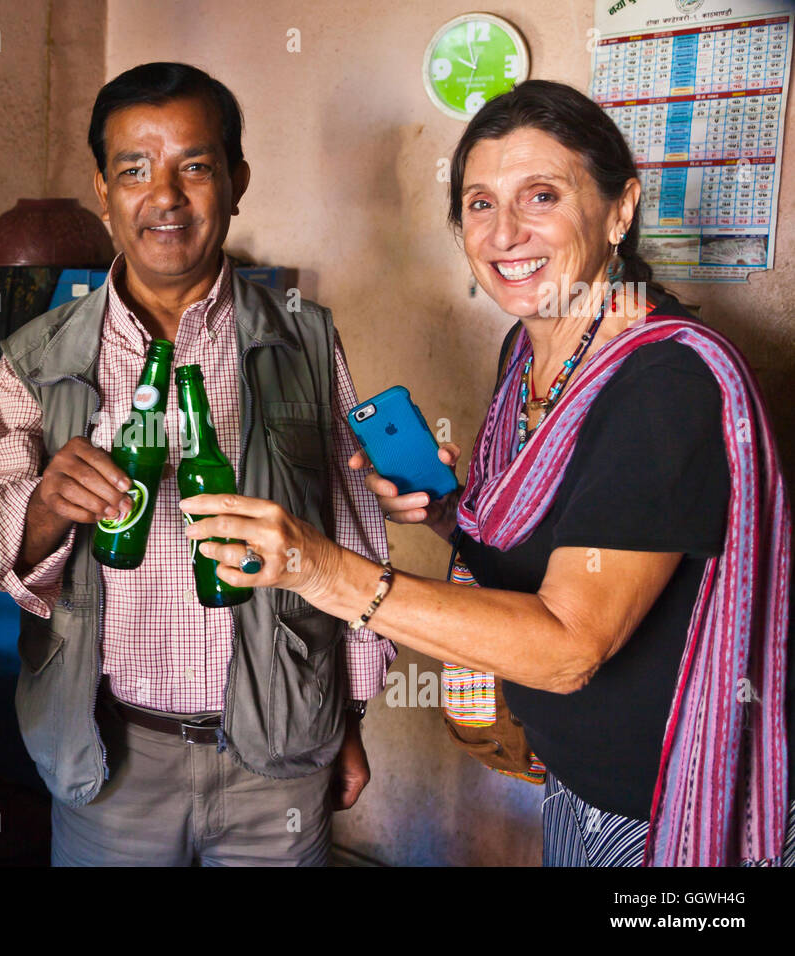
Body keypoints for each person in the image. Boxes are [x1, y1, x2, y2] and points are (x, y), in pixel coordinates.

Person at [180, 80, 791, 867]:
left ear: (619, 208)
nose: (506, 233)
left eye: (542, 195)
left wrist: (322, 570)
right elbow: (562, 545)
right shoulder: (531, 351)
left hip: (669, 805)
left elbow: (572, 645)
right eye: (478, 203)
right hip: (578, 782)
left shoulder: (663, 386)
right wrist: (447, 514)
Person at [0, 62, 393, 866]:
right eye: (135, 169)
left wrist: (349, 719)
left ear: (236, 181)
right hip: (109, 755)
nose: (166, 196)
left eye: (194, 165)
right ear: (103, 191)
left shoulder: (304, 341)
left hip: (277, 753)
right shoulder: (41, 356)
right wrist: (46, 506)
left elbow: (355, 535)